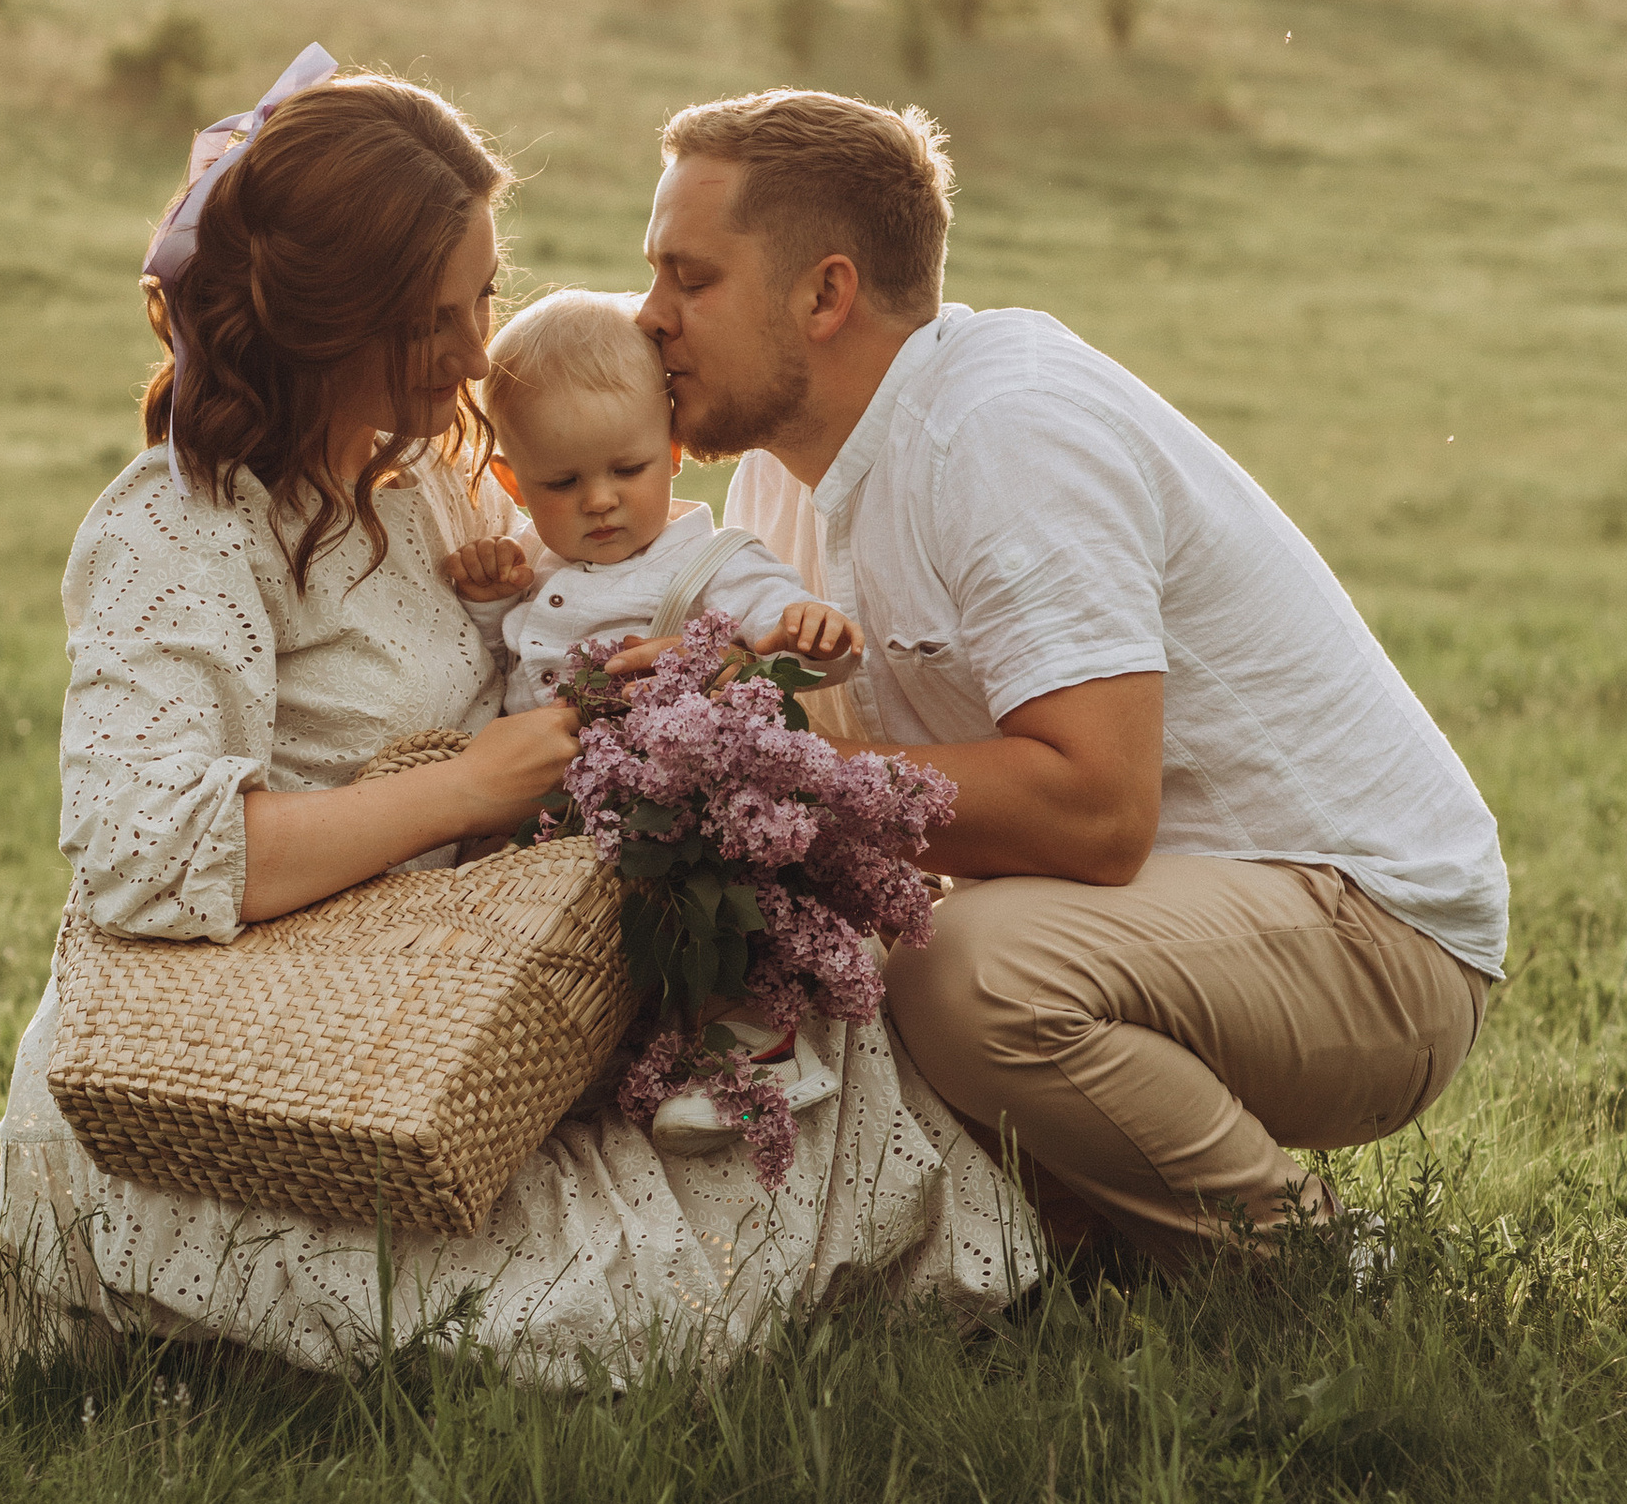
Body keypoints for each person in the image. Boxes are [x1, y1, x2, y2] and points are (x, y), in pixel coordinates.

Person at [0, 57, 1036, 1379]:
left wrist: (645, 676)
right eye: (440, 319)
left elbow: (563, 621)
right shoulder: (177, 529)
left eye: (485, 294)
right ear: (329, 322)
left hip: (472, 992)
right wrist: (471, 791)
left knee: (828, 1066)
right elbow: (151, 861)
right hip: (269, 1050)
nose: (481, 350)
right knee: (655, 1315)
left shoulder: (427, 479)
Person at [637, 90, 1508, 1267]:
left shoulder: (1002, 429)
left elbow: (1097, 813)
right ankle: (1069, 1247)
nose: (649, 319)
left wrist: (776, 771)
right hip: (1179, 918)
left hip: (1370, 938)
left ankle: (1310, 1264)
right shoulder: (778, 492)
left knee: (962, 975)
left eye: (690, 281)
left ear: (825, 293)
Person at [437, 286, 858, 710]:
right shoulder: (529, 561)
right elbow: (494, 671)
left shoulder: (713, 562)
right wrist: (490, 604)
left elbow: (787, 642)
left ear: (673, 451)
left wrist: (812, 633)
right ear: (513, 482)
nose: (599, 501)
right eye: (562, 482)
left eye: (628, 470)